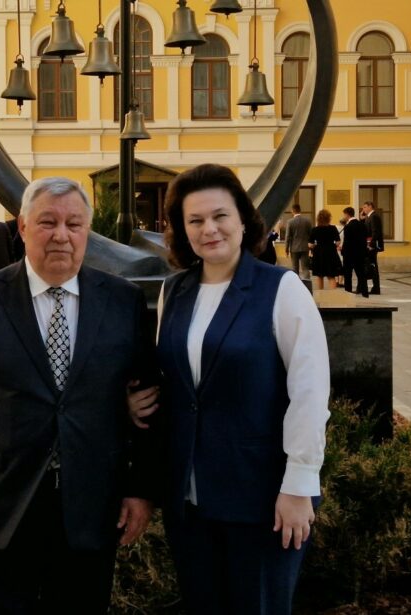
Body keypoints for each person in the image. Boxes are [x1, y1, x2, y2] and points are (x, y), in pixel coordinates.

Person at [0, 177, 158, 614]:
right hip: (2, 507)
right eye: (48, 222)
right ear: (22, 227)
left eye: (74, 224)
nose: (61, 235)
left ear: (87, 230)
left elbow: (146, 400)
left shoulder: (122, 301)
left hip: (92, 506)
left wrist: (140, 490)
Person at [127, 164, 330, 615]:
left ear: (242, 219)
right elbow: (175, 380)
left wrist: (299, 485)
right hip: (189, 500)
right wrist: (133, 402)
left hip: (262, 497)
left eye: (220, 216)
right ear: (181, 229)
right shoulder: (174, 291)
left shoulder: (281, 289)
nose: (209, 229)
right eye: (195, 220)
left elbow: (310, 393)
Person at [308, 209, 343, 290]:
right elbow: (338, 242)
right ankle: (332, 294)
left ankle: (321, 294)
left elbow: (310, 244)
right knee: (331, 275)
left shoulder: (315, 229)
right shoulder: (333, 228)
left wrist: (315, 246)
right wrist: (332, 245)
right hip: (331, 253)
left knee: (319, 275)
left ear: (318, 219)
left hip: (319, 253)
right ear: (328, 218)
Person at [339, 207, 369, 298]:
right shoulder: (362, 225)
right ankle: (365, 294)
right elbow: (365, 239)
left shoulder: (348, 226)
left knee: (348, 276)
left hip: (349, 255)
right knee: (361, 275)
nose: (343, 216)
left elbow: (347, 242)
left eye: (344, 214)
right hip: (360, 254)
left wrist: (342, 251)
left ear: (347, 214)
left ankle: (348, 294)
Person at [285, 203, 313, 279]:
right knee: (305, 268)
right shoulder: (307, 221)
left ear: (292, 211)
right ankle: (307, 283)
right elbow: (311, 234)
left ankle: (296, 283)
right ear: (300, 210)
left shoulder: (290, 222)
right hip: (305, 247)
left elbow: (287, 236)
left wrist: (286, 249)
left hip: (294, 248)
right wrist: (311, 247)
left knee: (295, 268)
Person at [362, 200, 384, 295]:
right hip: (369, 244)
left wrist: (371, 245)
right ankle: (375, 287)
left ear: (370, 206)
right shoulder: (369, 217)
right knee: (372, 266)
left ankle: (376, 288)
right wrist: (362, 219)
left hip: (372, 246)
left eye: (365, 207)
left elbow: (375, 232)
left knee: (373, 266)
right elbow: (366, 230)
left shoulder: (374, 216)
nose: (363, 209)